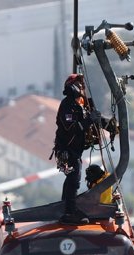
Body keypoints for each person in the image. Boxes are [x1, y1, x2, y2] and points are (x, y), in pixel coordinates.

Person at [53, 74, 114, 224]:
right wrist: (89, 120)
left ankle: (67, 207)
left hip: (75, 150)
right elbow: (71, 128)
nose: (82, 88)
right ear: (72, 86)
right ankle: (69, 211)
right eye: (80, 85)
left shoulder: (78, 105)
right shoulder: (67, 105)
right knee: (74, 180)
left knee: (72, 179)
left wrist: (109, 125)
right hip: (67, 150)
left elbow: (90, 120)